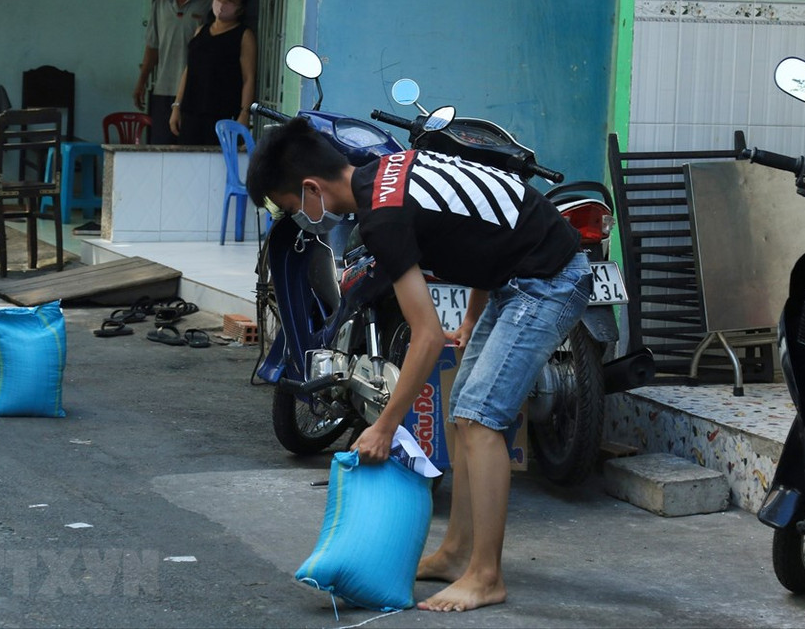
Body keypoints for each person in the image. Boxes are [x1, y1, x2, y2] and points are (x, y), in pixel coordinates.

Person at [245, 117, 592, 612]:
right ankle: (455, 553)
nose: (300, 218)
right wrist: (472, 318)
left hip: (548, 281)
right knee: (463, 415)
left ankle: (486, 576)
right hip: (518, 276)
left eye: (292, 207)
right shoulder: (386, 172)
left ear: (312, 189)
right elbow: (483, 232)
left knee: (480, 418)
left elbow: (426, 337)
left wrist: (384, 427)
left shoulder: (381, 218)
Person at [169, 0, 256, 145]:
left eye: (230, 0)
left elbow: (248, 78)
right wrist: (177, 106)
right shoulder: (201, 30)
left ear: (240, 8)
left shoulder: (244, 35)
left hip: (222, 114)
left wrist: (244, 113)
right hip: (191, 111)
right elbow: (189, 71)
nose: (222, 3)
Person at [133, 0, 215, 145]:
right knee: (161, 148)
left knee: (191, 149)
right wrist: (142, 81)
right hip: (164, 88)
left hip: (196, 91)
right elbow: (153, 45)